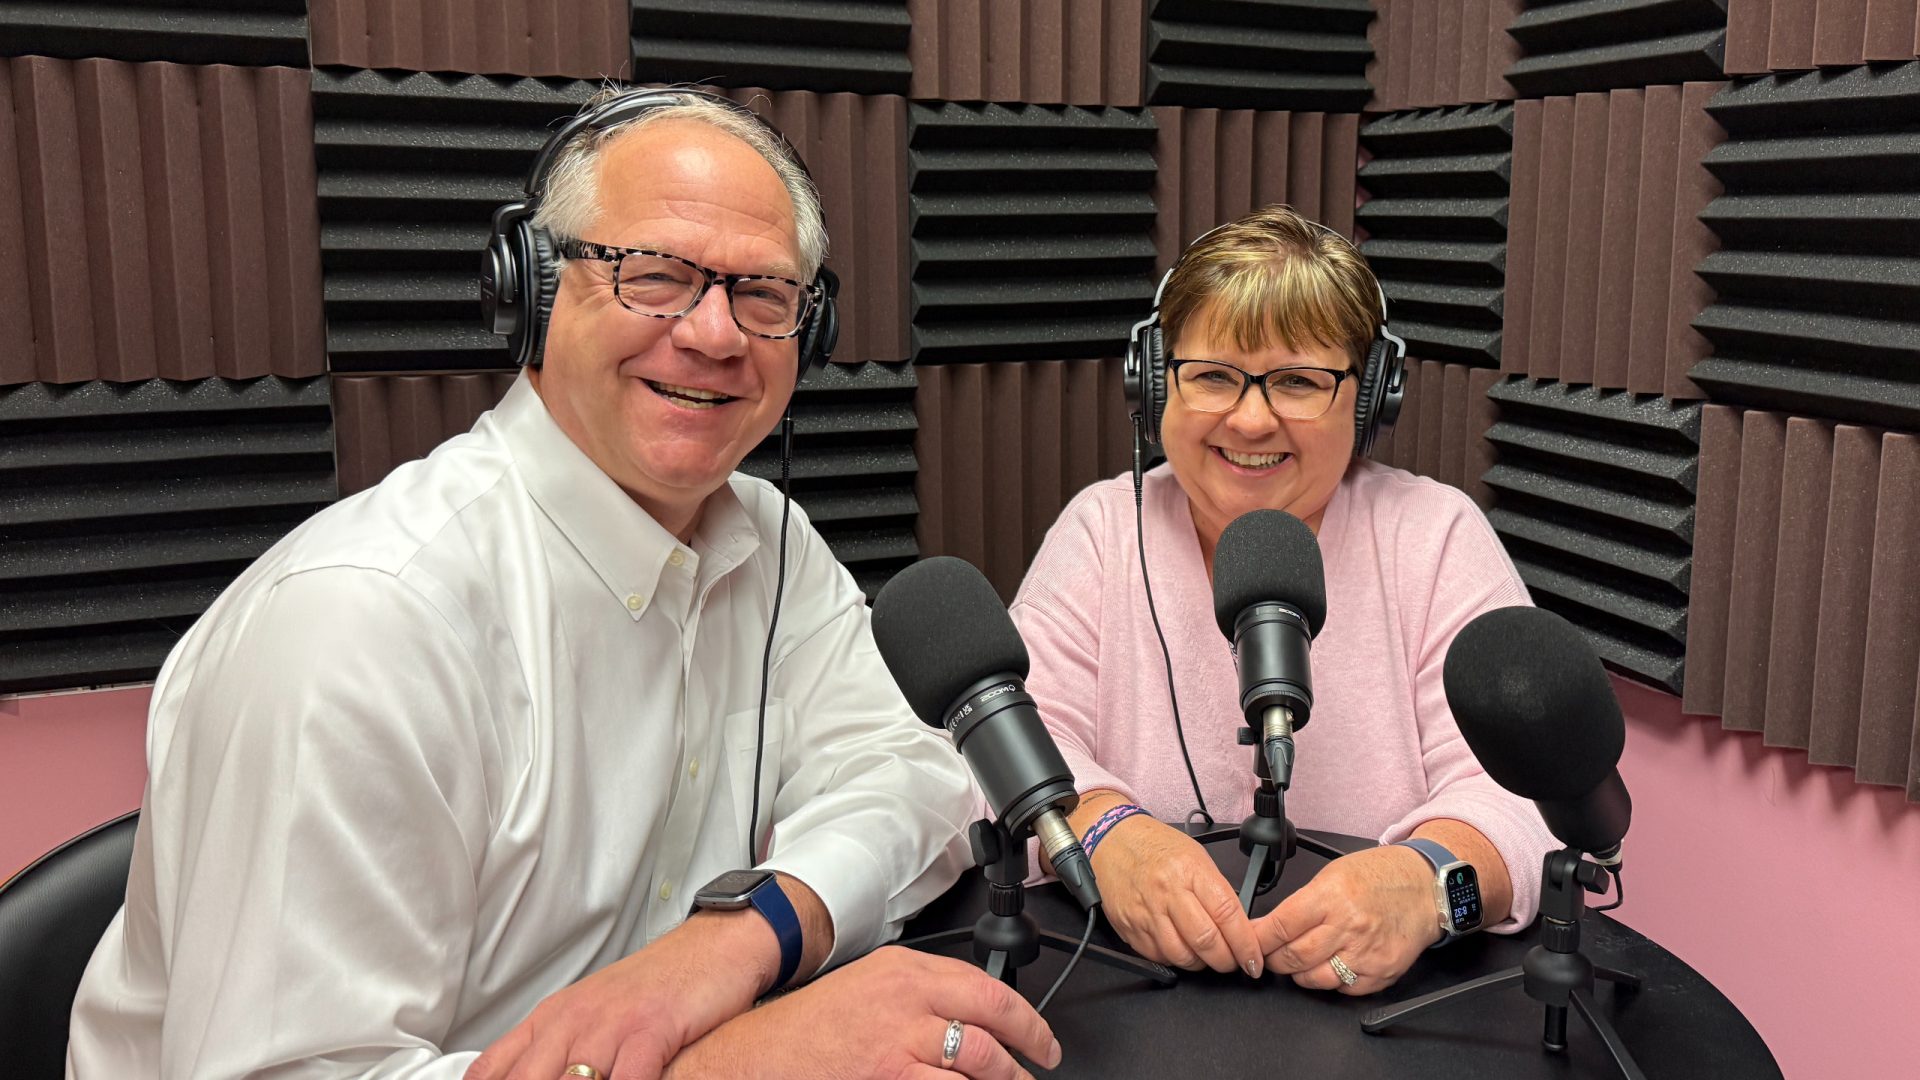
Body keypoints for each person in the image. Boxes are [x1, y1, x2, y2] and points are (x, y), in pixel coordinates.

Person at [67, 89, 1059, 1080]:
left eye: (763, 292)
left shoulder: (769, 539)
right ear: (530, 289)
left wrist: (732, 942)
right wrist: (733, 1065)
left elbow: (911, 774)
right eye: (655, 275)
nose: (716, 335)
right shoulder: (360, 623)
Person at [1013, 205, 1556, 996]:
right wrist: (1108, 833)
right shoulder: (1102, 528)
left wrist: (1424, 882)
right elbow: (1011, 744)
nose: (1251, 416)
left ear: (1370, 399)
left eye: (1299, 381)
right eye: (1213, 376)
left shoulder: (1433, 536)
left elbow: (1526, 796)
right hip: (1138, 994)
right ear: (1156, 382)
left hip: (1387, 1011)